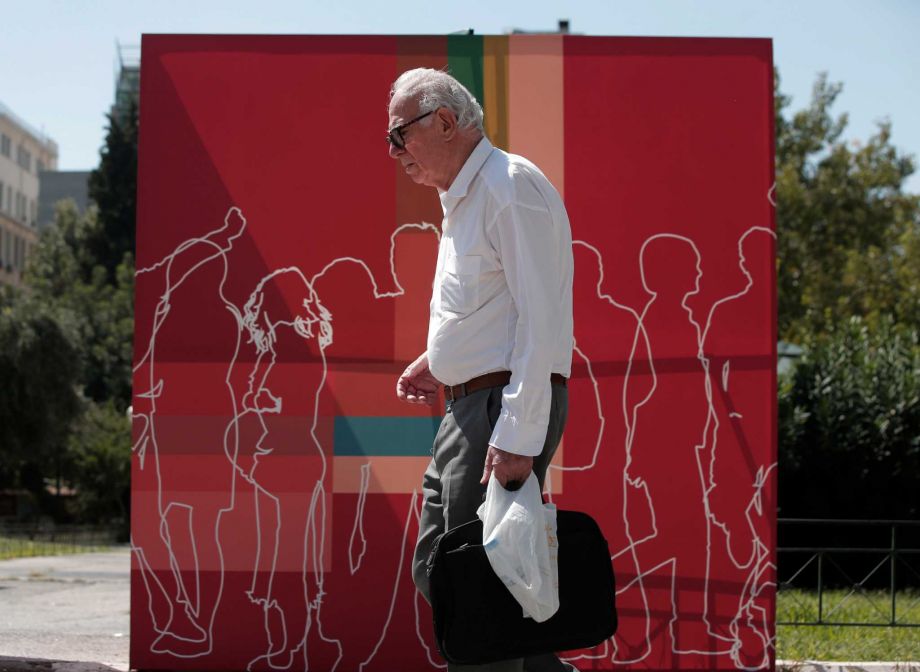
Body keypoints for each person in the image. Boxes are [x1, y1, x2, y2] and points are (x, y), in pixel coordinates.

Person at [388, 67, 575, 672]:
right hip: (467, 406)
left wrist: (517, 438)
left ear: (444, 122)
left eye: (399, 134)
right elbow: (494, 308)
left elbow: (540, 320)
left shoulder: (508, 186)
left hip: (499, 409)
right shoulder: (466, 197)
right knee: (444, 568)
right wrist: (438, 359)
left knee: (475, 583)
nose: (395, 152)